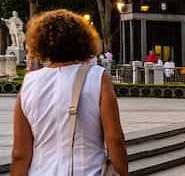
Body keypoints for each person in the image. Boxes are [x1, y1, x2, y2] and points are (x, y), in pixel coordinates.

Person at [11, 9, 129, 176]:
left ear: (40, 43)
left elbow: (20, 154)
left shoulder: (29, 83)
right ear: (84, 40)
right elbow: (115, 139)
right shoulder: (97, 76)